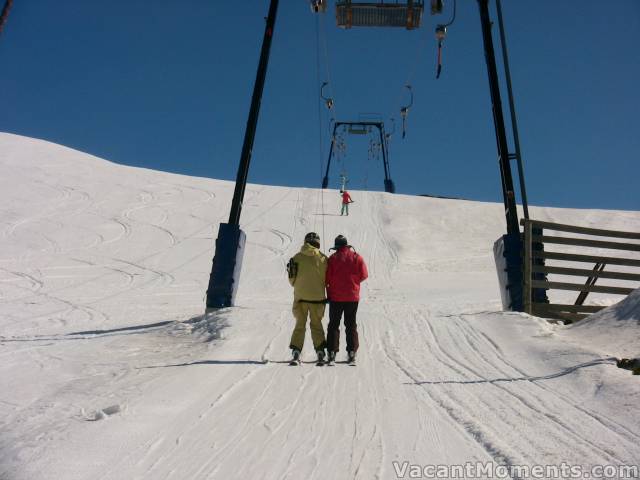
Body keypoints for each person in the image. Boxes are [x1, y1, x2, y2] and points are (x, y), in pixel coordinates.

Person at [286, 232, 328, 365]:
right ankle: (320, 351)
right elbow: (328, 280)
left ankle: (296, 352)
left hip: (301, 299)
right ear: (318, 243)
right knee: (316, 325)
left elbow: (292, 280)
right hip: (318, 299)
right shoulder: (323, 259)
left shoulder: (296, 258)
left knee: (300, 325)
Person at [325, 235, 368, 365]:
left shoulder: (332, 259)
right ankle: (351, 352)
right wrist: (354, 283)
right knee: (350, 324)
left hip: (336, 297)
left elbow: (326, 278)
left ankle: (332, 352)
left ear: (337, 247)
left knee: (334, 324)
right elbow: (364, 275)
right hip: (352, 297)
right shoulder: (356, 257)